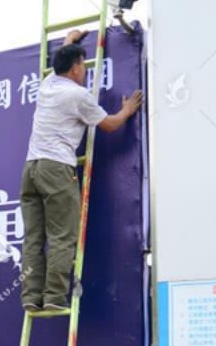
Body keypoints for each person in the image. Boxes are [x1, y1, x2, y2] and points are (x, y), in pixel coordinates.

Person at [20, 29, 143, 312]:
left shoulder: (48, 84)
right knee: (62, 236)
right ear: (75, 68)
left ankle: (31, 297)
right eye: (83, 67)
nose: (85, 72)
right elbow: (110, 125)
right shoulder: (78, 95)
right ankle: (53, 297)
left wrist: (69, 40)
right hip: (56, 169)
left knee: (34, 238)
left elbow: (61, 60)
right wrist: (127, 110)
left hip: (31, 169)